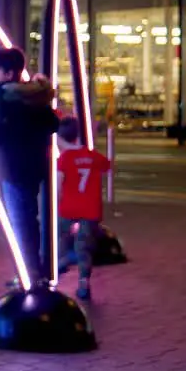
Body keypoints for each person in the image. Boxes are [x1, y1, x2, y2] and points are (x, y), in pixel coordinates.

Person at [0, 48, 60, 284]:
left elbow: (1, 134)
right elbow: (52, 123)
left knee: (21, 224)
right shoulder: (36, 94)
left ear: (8, 72)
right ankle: (36, 270)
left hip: (14, 167)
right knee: (30, 221)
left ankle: (28, 274)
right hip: (36, 165)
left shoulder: (5, 96)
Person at [55, 117, 111, 300]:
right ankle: (83, 282)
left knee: (58, 234)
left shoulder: (64, 158)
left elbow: (58, 186)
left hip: (69, 207)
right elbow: (108, 166)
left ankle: (60, 261)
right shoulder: (93, 155)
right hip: (90, 208)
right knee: (85, 246)